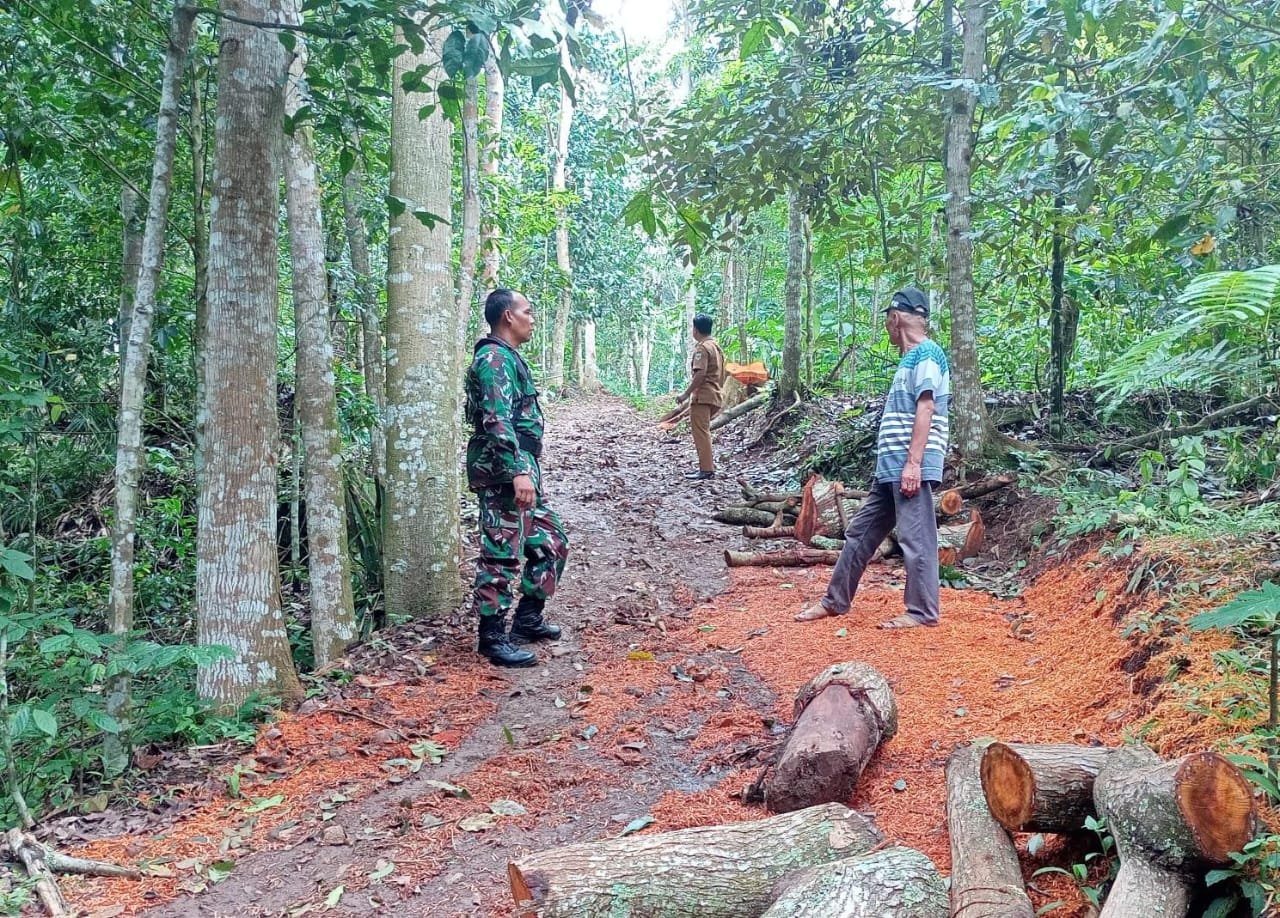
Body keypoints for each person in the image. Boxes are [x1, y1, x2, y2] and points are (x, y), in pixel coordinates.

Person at [795, 286, 950, 630]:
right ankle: (835, 601)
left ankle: (922, 612)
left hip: (909, 465)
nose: (886, 327)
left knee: (915, 538)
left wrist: (914, 463)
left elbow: (926, 407)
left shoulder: (928, 353)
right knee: (860, 532)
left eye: (887, 320)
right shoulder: (910, 359)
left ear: (895, 319)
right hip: (891, 467)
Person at [464, 289, 569, 667]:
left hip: (521, 467)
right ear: (508, 316)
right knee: (501, 554)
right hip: (504, 472)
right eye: (528, 312)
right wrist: (517, 471)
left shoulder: (507, 357)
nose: (533, 319)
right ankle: (492, 637)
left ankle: (527, 620)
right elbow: (496, 419)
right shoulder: (493, 358)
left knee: (551, 542)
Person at [675, 314, 727, 480]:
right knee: (704, 431)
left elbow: (700, 373)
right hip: (715, 395)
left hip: (703, 397)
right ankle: (707, 467)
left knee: (701, 433)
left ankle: (706, 469)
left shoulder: (702, 348)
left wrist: (686, 394)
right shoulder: (716, 347)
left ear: (696, 330)